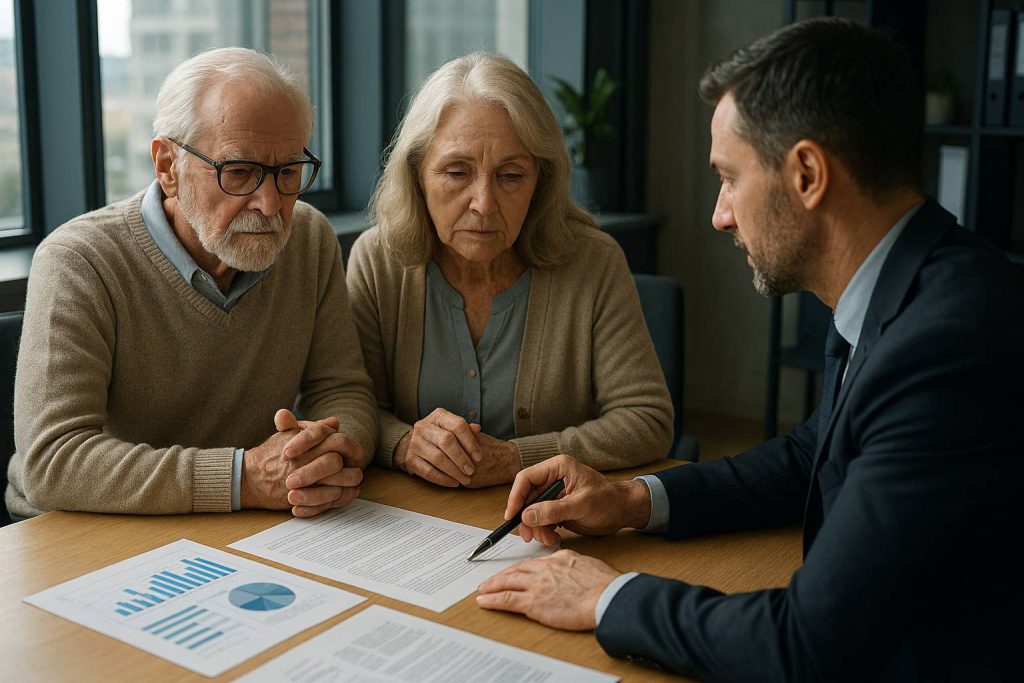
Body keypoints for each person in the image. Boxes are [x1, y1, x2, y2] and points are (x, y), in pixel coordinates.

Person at [476, 18, 1023, 680]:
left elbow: (806, 644)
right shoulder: (911, 283)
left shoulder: (946, 344)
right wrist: (629, 502)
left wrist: (606, 595)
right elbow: (809, 457)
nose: (720, 214)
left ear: (807, 174)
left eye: (729, 177)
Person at [6, 48, 377, 521]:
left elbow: (342, 388)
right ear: (167, 167)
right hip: (81, 530)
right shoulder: (79, 261)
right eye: (238, 172)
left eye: (287, 172)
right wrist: (241, 477)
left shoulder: (308, 238)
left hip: (247, 520)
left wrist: (324, 456)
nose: (269, 204)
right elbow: (53, 462)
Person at [346, 52, 673, 489]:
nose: (484, 203)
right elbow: (354, 404)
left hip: (553, 521)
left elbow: (647, 421)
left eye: (511, 176)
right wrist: (403, 444)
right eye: (457, 172)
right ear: (417, 175)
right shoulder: (378, 260)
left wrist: (518, 457)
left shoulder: (594, 262)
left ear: (541, 181)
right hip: (416, 519)